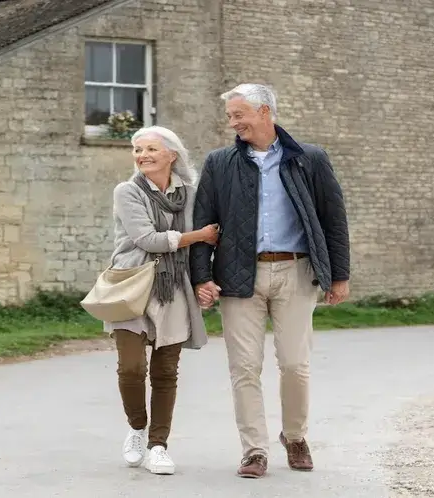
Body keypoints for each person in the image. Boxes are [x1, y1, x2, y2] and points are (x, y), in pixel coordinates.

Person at [189, 83, 351, 478]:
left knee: (295, 364)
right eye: (230, 116)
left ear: (265, 112)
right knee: (244, 366)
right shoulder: (219, 162)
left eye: (239, 114)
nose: (233, 122)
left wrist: (340, 275)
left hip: (296, 271)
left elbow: (334, 218)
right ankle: (254, 450)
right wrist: (201, 276)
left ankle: (294, 437)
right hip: (237, 273)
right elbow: (203, 223)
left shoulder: (308, 158)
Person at [103, 125, 217, 475]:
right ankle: (137, 428)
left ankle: (158, 444)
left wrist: (204, 281)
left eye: (151, 149)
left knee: (166, 371)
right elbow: (147, 239)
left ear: (172, 155)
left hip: (174, 287)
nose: (142, 156)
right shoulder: (128, 191)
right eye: (137, 150)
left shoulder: (191, 193)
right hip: (132, 283)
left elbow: (199, 251)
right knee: (132, 367)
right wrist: (200, 235)